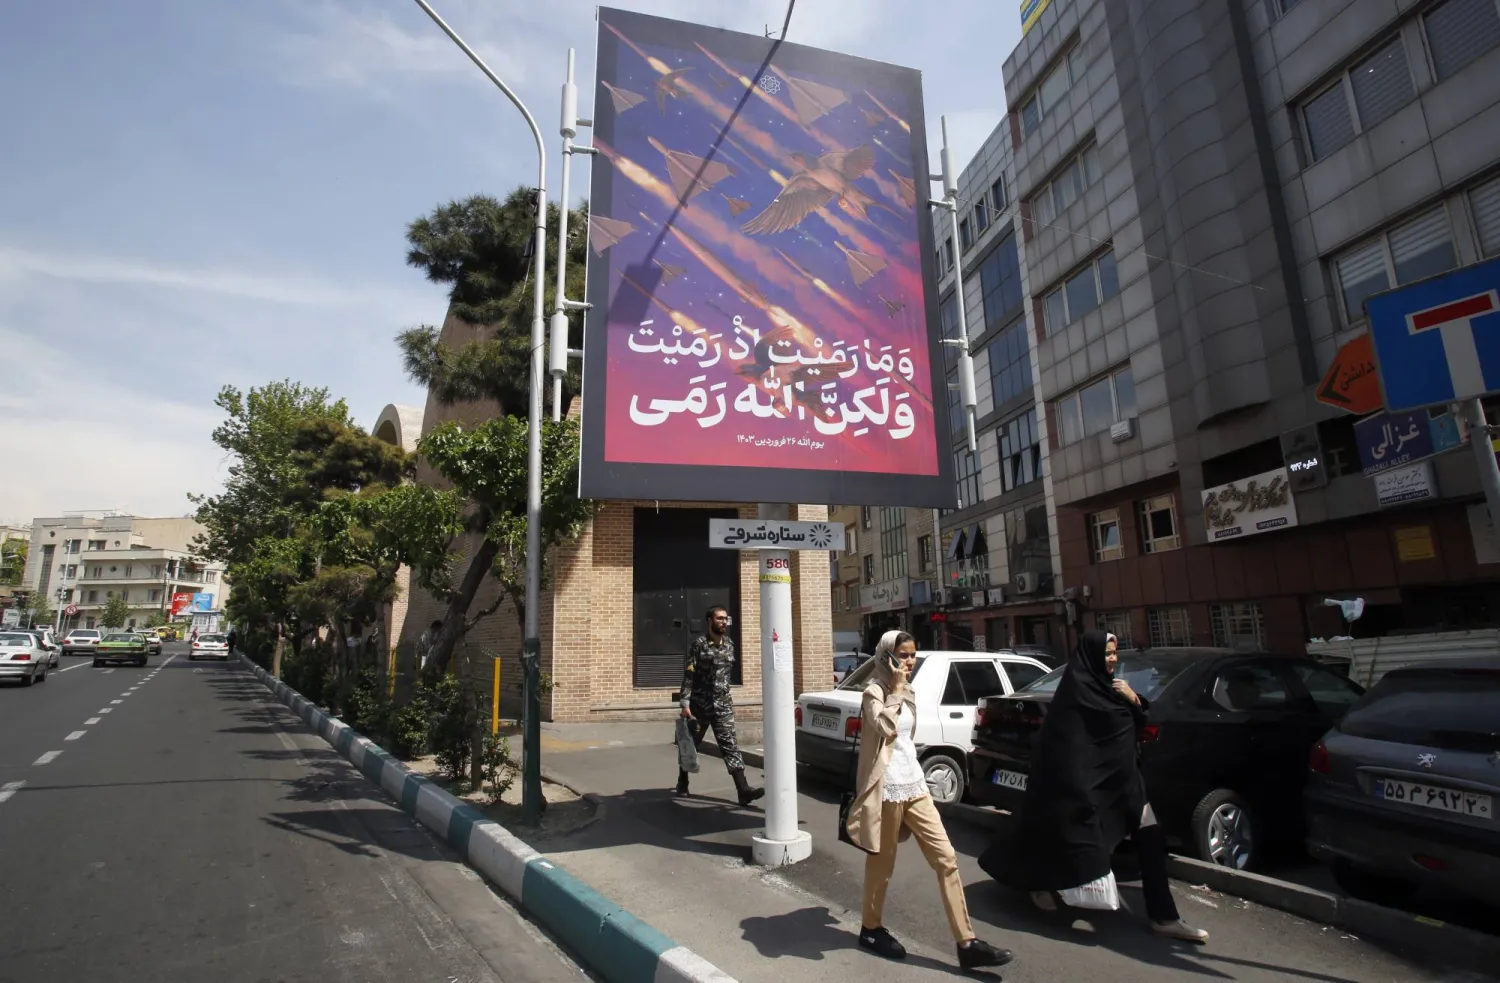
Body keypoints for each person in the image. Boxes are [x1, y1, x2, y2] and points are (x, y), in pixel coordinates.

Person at [979, 630, 1207, 942]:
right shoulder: (1076, 693)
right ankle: (1036, 882)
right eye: (1106, 654)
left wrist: (1133, 698)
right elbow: (1067, 744)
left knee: (1152, 840)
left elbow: (1136, 724)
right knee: (1051, 838)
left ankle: (1164, 917)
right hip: (1087, 786)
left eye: (1115, 653)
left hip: (1126, 782)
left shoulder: (1113, 690)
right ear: (1091, 656)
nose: (1113, 659)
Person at [847, 630, 1013, 971]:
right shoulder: (874, 692)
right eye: (904, 655)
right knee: (882, 863)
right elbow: (885, 728)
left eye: (913, 655)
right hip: (888, 788)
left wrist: (900, 690)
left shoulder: (906, 688)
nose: (910, 662)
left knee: (947, 858)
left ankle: (967, 942)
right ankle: (871, 927)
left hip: (915, 784)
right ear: (887, 656)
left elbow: (906, 739)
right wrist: (894, 691)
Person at [676, 605, 763, 807]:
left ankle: (743, 791)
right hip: (700, 705)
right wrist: (685, 704)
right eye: (719, 618)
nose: (723, 622)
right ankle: (683, 780)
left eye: (725, 618)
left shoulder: (730, 645)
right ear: (709, 621)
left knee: (731, 746)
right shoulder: (699, 645)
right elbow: (689, 675)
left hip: (722, 705)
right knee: (691, 746)